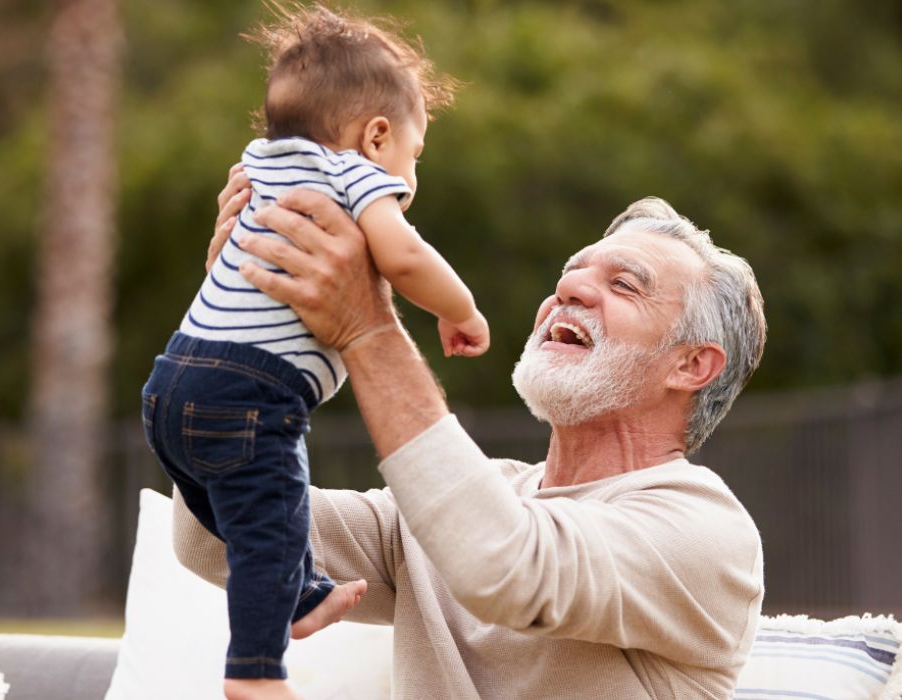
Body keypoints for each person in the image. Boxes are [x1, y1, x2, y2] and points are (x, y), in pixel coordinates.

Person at [175, 189, 768, 699]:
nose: (568, 288)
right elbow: (211, 539)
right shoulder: (464, 505)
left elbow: (505, 567)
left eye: (623, 284)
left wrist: (367, 325)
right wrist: (234, 324)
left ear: (692, 365)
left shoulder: (705, 529)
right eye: (571, 272)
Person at [140, 5, 488, 699]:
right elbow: (405, 256)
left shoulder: (259, 164)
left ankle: (298, 593)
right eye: (413, 158)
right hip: (249, 394)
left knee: (257, 520)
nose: (408, 179)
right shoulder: (355, 176)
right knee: (271, 520)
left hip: (170, 383)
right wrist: (461, 309)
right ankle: (256, 675)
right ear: (377, 136)